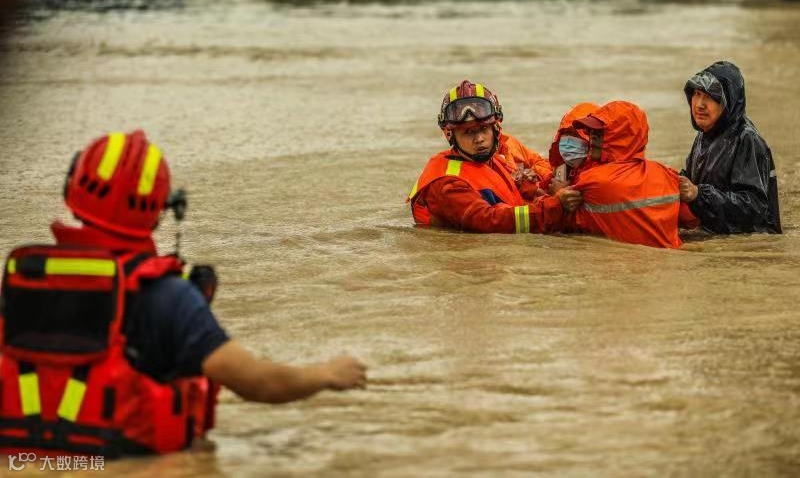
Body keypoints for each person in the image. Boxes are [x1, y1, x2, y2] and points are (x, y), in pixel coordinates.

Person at [0, 130, 367, 458]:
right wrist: (326, 374)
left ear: (72, 190)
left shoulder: (23, 280)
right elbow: (258, 383)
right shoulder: (168, 296)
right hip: (131, 461)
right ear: (161, 212)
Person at [408, 80, 582, 234]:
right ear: (450, 135)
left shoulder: (493, 160)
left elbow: (515, 197)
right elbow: (491, 221)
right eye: (468, 132)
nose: (479, 138)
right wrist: (555, 205)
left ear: (496, 128)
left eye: (484, 129)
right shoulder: (447, 183)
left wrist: (541, 189)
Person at [556, 100, 688, 249]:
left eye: (600, 132)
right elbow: (690, 219)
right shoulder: (667, 174)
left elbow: (559, 223)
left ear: (622, 137)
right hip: (670, 258)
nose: (592, 137)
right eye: (591, 131)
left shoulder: (594, 181)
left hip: (623, 260)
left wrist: (558, 196)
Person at [678, 61, 781, 234]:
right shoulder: (704, 135)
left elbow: (755, 208)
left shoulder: (747, 139)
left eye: (709, 96)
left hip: (750, 245)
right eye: (697, 94)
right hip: (714, 236)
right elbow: (692, 182)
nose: (699, 104)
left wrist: (698, 194)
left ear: (729, 102)